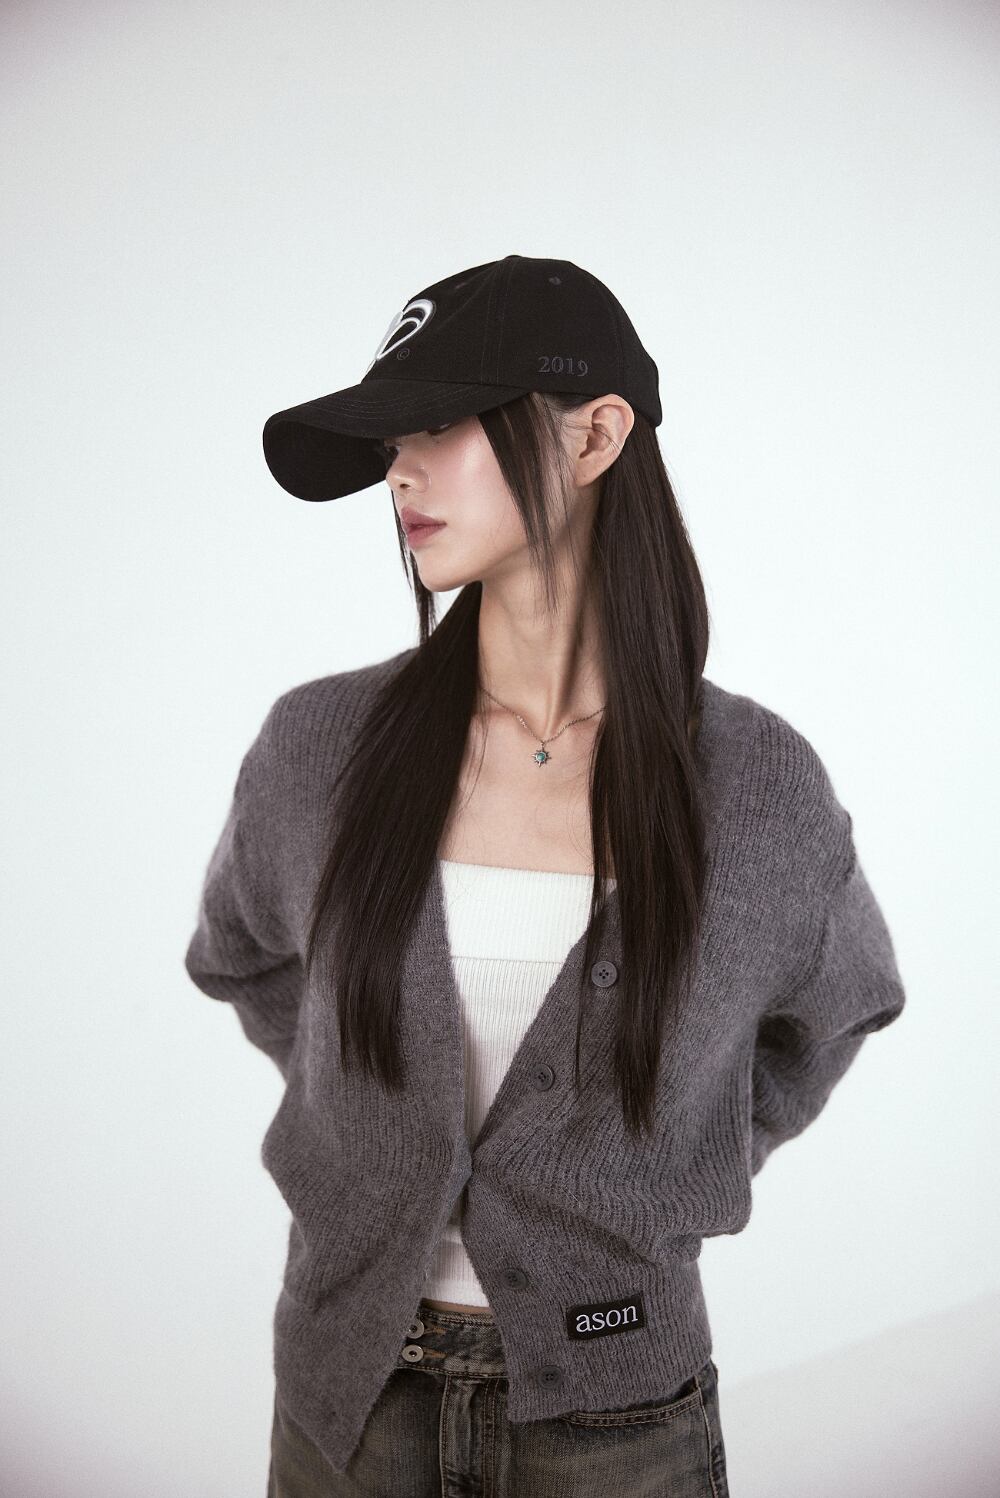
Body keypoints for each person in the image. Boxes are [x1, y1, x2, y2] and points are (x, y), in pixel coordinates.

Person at [184, 254, 906, 1496]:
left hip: (618, 1421)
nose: (399, 471)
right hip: (349, 1402)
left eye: (438, 425)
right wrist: (369, 1101)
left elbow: (833, 1011)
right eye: (391, 440)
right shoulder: (319, 748)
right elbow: (243, 957)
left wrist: (668, 1151)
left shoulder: (758, 787)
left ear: (593, 437)